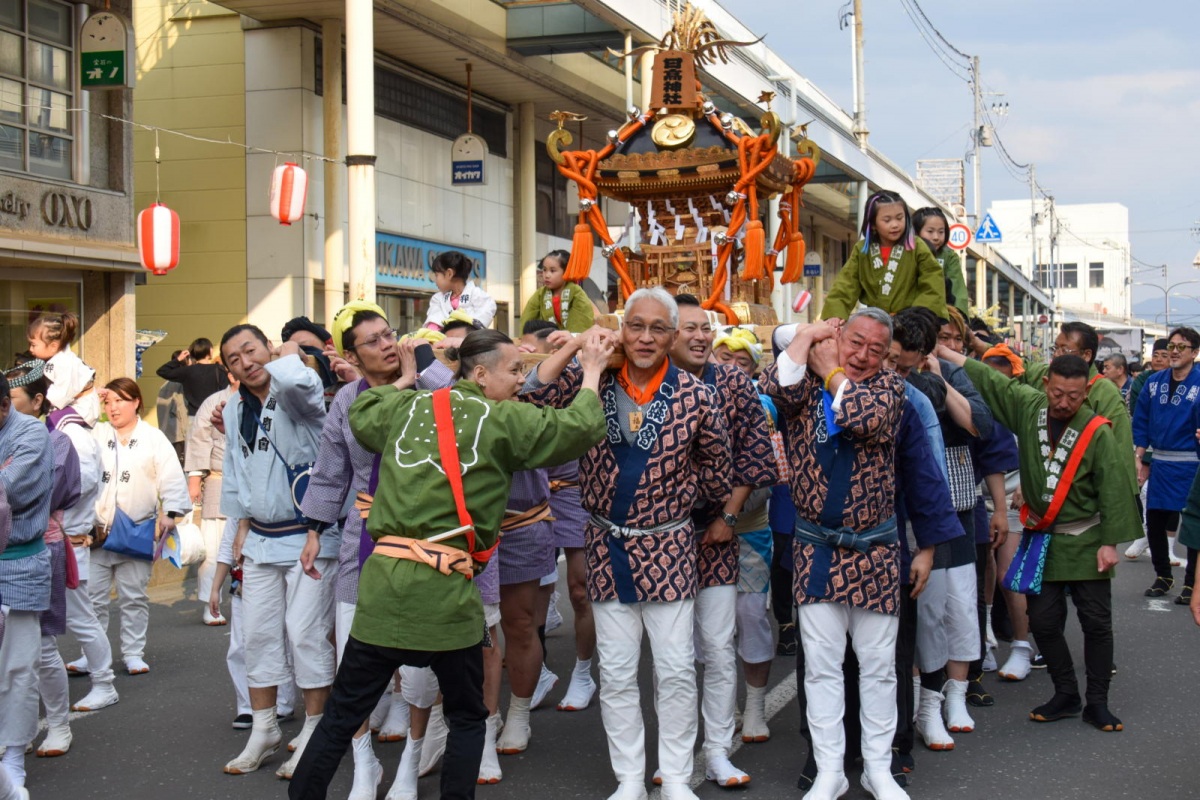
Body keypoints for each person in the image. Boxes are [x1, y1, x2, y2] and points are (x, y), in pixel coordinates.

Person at [288, 327, 612, 800]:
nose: (519, 380)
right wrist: (594, 371)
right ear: (479, 374)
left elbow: (364, 411)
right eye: (513, 370)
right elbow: (580, 429)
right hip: (447, 593)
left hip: (384, 587)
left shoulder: (406, 407)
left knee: (342, 712)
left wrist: (405, 379)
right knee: (466, 715)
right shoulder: (503, 419)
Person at [525, 287, 732, 800]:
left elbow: (717, 470)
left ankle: (677, 777)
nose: (644, 337)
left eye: (658, 328)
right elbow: (532, 395)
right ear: (620, 329)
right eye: (635, 326)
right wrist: (579, 345)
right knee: (617, 672)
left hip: (669, 546)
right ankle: (630, 780)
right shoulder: (591, 379)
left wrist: (675, 501)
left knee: (676, 669)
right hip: (606, 545)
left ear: (673, 336)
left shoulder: (696, 394)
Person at [298, 301, 461, 800]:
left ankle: (411, 759)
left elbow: (464, 399)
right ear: (351, 356)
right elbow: (331, 469)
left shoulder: (430, 385)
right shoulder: (347, 400)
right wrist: (314, 529)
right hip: (362, 536)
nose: (387, 344)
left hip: (424, 537)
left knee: (418, 669)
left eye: (389, 333)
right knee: (353, 661)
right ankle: (364, 764)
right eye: (373, 341)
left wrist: (420, 367)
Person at [937, 345, 1139, 732]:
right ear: (1046, 384)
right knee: (1043, 622)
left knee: (1096, 624)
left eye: (1074, 397)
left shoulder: (1096, 430)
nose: (1064, 402)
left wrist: (1110, 543)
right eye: (1057, 393)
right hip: (1041, 537)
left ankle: (1098, 702)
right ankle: (1066, 693)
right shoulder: (1030, 408)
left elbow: (1113, 485)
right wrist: (944, 352)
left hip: (1086, 537)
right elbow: (991, 381)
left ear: (1086, 392)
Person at [760, 309, 909, 800]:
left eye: (876, 349)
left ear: (886, 356)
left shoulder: (890, 388)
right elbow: (775, 388)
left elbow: (863, 418)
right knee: (822, 667)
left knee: (878, 667)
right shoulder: (806, 382)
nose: (863, 355)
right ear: (839, 335)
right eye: (855, 342)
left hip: (874, 549)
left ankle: (878, 768)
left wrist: (832, 370)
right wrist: (808, 336)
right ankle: (830, 770)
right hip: (817, 547)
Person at [218, 324, 338, 778]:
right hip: (261, 538)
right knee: (257, 635)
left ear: (267, 348)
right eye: (234, 359)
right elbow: (234, 470)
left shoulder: (293, 391)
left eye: (250, 350)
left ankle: (314, 727)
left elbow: (305, 386)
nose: (245, 363)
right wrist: (239, 528)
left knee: (305, 632)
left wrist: (287, 352)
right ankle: (264, 726)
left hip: (310, 535)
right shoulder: (235, 408)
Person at [669, 296, 776, 786]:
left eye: (704, 328)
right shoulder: (639, 381)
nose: (699, 337)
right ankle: (675, 758)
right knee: (674, 655)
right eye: (687, 328)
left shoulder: (733, 383)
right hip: (662, 540)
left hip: (725, 532)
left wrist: (728, 517)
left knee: (720, 641)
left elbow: (757, 455)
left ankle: (719, 749)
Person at [517, 322, 598, 713]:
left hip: (575, 490)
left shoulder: (583, 372)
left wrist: (579, 348)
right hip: (531, 492)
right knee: (528, 596)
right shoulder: (516, 380)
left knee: (580, 589)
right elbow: (530, 388)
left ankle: (583, 672)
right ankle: (537, 672)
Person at [710, 326, 784, 745]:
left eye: (742, 362)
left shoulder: (765, 407)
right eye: (725, 358)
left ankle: (755, 704)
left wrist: (730, 510)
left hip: (750, 530)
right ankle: (723, 706)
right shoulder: (693, 397)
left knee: (751, 616)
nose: (733, 368)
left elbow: (768, 477)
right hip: (700, 534)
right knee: (708, 626)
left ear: (754, 369)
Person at [88, 379, 191, 677]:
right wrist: (92, 397)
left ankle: (133, 653)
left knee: (133, 597)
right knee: (92, 599)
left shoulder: (153, 437)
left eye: (120, 400)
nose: (113, 407)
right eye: (109, 402)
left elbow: (171, 476)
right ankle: (91, 654)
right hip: (97, 531)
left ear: (136, 402)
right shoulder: (97, 433)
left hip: (137, 529)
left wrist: (169, 513)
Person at [5, 363, 82, 759]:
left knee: (41, 645)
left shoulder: (51, 439)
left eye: (12, 399)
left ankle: (58, 723)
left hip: (39, 547)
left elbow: (24, 494)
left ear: (36, 401)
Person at [43, 363, 113, 714]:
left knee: (81, 618)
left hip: (67, 541)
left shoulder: (71, 432)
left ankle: (105, 683)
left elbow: (78, 486)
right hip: (55, 540)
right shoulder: (63, 427)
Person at [0, 371, 56, 792]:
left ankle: (14, 754)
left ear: (4, 406)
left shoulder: (31, 435)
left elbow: (7, 490)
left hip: (18, 562)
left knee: (19, 667)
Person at [1132, 326, 1200, 602]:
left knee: (1193, 524)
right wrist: (1138, 458)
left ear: (1194, 353)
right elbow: (1141, 422)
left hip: (1193, 464)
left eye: (1181, 346)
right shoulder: (1153, 382)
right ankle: (1163, 575)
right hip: (1160, 462)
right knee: (1155, 520)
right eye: (1172, 346)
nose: (1174, 351)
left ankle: (1192, 583)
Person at [821, 190, 947, 325]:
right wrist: (836, 313)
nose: (895, 225)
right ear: (873, 224)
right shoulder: (862, 250)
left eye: (900, 218)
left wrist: (920, 317)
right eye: (887, 220)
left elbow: (932, 283)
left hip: (911, 323)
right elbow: (846, 285)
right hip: (876, 323)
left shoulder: (917, 246)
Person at [186, 377, 238, 626]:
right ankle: (211, 604)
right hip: (220, 479)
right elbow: (199, 439)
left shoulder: (267, 398)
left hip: (256, 483)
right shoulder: (214, 402)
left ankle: (248, 603)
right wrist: (195, 480)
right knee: (214, 550)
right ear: (231, 374)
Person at [27, 312, 100, 426]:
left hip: (83, 409)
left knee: (54, 420)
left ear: (53, 346)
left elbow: (61, 397)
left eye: (33, 345)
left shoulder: (65, 362)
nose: (30, 349)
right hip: (71, 405)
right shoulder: (58, 358)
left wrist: (40, 403)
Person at [519, 250, 596, 333]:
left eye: (552, 271)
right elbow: (528, 319)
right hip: (545, 339)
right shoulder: (540, 294)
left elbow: (581, 323)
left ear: (566, 272)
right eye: (544, 270)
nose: (546, 275)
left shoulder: (576, 292)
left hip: (572, 339)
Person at [913, 207, 969, 317]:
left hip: (941, 317)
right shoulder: (907, 253)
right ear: (916, 232)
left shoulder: (949, 257)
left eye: (941, 232)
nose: (936, 237)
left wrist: (959, 319)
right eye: (930, 231)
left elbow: (958, 293)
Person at [156, 338, 231, 419]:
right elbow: (226, 393)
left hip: (194, 417)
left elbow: (162, 371)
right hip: (214, 416)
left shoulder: (187, 371)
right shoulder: (219, 370)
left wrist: (178, 359)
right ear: (209, 351)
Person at [422, 251, 498, 331]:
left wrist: (469, 329)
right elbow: (433, 321)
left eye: (436, 275)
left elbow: (487, 311)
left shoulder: (475, 293)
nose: (435, 280)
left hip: (469, 337)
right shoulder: (438, 298)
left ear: (449, 274)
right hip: (446, 338)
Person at [156, 350, 191, 463]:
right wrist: (188, 434)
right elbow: (181, 411)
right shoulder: (180, 384)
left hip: (167, 433)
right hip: (180, 435)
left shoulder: (165, 385)